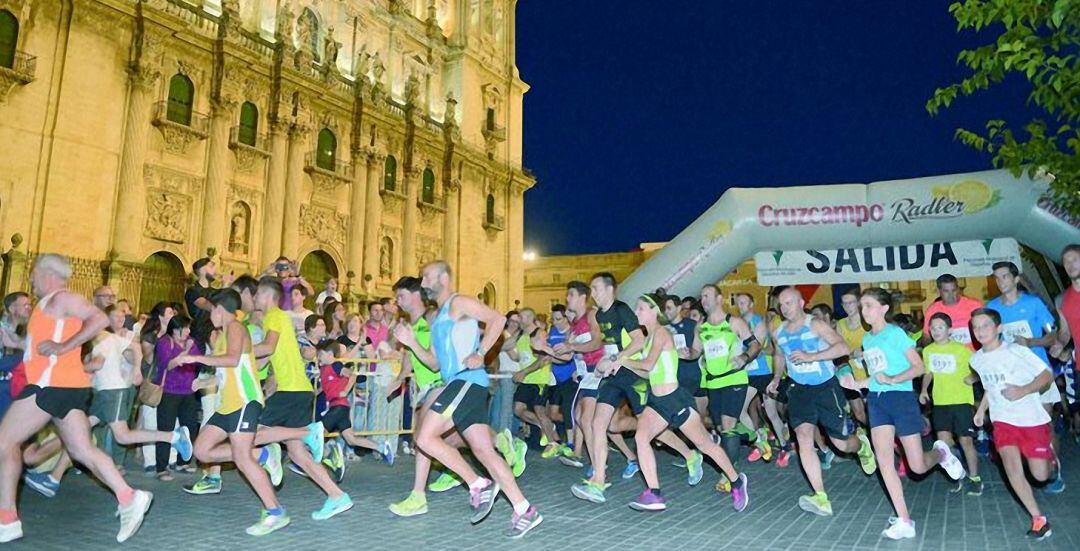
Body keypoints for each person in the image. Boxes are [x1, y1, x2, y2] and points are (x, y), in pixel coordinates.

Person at [0, 254, 152, 543]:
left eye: (33, 274)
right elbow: (41, 347)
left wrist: (63, 346)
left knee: (4, 442)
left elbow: (99, 319)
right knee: (81, 450)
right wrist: (17, 343)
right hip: (66, 386)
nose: (30, 281)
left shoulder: (62, 298)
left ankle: (6, 520)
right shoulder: (48, 306)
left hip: (51, 385)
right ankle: (129, 496)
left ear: (47, 274)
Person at [395, 261, 542, 538]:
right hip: (459, 383)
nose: (423, 282)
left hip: (467, 380)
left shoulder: (459, 303)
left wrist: (482, 352)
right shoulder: (438, 318)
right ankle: (524, 510)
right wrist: (412, 342)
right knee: (484, 452)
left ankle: (478, 484)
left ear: (442, 277)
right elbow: (436, 363)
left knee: (424, 438)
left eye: (427, 277)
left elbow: (497, 319)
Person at [839, 288, 965, 540]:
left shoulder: (895, 334)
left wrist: (894, 379)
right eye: (862, 306)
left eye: (869, 306)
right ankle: (905, 520)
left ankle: (941, 453)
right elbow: (875, 376)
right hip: (877, 401)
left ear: (884, 309)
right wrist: (857, 384)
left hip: (902, 400)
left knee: (917, 467)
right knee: (885, 462)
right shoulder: (868, 340)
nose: (864, 311)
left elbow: (918, 367)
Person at [571, 273, 700, 504]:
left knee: (650, 426)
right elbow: (605, 343)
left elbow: (639, 341)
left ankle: (691, 455)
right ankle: (599, 480)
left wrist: (618, 359)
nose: (593, 294)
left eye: (596, 288)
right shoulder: (600, 315)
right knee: (597, 423)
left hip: (634, 374)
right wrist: (601, 363)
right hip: (614, 374)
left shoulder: (622, 310)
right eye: (591, 289)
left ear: (610, 289)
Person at [625, 294, 749, 513]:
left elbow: (648, 364)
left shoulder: (662, 333)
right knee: (641, 437)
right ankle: (654, 493)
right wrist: (619, 366)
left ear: (655, 311)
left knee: (705, 445)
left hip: (675, 399)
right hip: (657, 401)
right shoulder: (648, 337)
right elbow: (648, 373)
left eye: (641, 308)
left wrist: (621, 360)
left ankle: (737, 481)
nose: (637, 312)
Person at [180, 289, 287, 536]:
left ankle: (275, 512)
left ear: (219, 309)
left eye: (211, 312)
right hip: (226, 404)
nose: (210, 318)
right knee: (202, 450)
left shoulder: (236, 328)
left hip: (244, 401)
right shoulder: (221, 335)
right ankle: (262, 454)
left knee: (242, 459)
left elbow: (231, 360)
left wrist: (194, 359)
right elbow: (226, 371)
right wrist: (204, 383)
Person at [766, 286, 876, 517]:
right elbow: (779, 354)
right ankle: (821, 497)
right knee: (804, 438)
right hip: (798, 390)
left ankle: (862, 445)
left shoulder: (815, 324)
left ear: (801, 303)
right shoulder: (779, 331)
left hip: (826, 388)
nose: (784, 308)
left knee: (842, 444)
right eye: (781, 304)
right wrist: (777, 377)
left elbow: (843, 347)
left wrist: (811, 356)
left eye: (789, 303)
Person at [250, 277, 353, 520]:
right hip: (298, 389)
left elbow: (266, 347)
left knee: (252, 432)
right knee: (297, 454)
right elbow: (267, 358)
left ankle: (304, 436)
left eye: (256, 294)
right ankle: (337, 495)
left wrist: (234, 352)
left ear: (266, 295)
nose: (253, 299)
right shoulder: (280, 319)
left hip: (291, 390)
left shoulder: (274, 315)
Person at [969, 308, 1056, 541]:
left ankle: (1051, 458)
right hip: (1003, 421)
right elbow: (990, 386)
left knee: (1040, 475)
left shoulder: (1016, 351)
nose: (980, 331)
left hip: (1030, 419)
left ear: (998, 328)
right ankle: (1039, 519)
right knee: (1012, 468)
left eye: (985, 325)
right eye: (975, 326)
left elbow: (1046, 375)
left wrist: (1023, 390)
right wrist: (981, 410)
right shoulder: (976, 359)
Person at [987, 261, 1065, 493]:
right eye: (997, 278)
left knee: (1045, 425)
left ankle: (1054, 469)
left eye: (1005, 277)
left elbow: (1053, 337)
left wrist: (1030, 342)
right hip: (1009, 377)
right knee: (1015, 428)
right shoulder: (992, 307)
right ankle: (1029, 469)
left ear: (1016, 279)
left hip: (1037, 373)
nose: (1001, 282)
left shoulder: (1033, 304)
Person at [691, 285, 761, 487]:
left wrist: (744, 357)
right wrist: (685, 353)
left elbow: (755, 345)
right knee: (722, 427)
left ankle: (728, 475)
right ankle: (752, 434)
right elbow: (696, 352)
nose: (703, 300)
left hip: (734, 379)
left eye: (707, 296)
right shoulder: (701, 327)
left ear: (719, 298)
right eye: (701, 296)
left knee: (728, 426)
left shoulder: (735, 322)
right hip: (713, 382)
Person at [919, 312, 982, 495]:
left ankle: (975, 478)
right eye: (933, 328)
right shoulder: (928, 350)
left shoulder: (962, 350)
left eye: (940, 327)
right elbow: (928, 373)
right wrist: (924, 390)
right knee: (944, 444)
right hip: (940, 403)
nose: (936, 331)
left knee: (965, 441)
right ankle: (959, 476)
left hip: (961, 401)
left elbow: (981, 369)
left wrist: (973, 378)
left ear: (950, 330)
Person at [554, 281, 605, 470]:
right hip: (587, 374)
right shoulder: (574, 325)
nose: (567, 298)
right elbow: (567, 354)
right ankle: (584, 457)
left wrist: (572, 346)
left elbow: (598, 343)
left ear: (583, 297)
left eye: (571, 295)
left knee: (585, 420)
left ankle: (598, 466)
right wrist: (545, 350)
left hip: (599, 372)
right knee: (579, 416)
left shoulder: (592, 314)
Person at [734, 292, 787, 464]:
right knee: (759, 412)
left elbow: (762, 348)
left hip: (762, 373)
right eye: (738, 303)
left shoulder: (760, 322)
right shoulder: (737, 324)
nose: (740, 306)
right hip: (747, 373)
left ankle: (769, 443)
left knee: (761, 412)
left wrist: (744, 354)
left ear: (751, 304)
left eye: (744, 303)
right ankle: (770, 441)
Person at [152, 314, 202, 480]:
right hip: (169, 391)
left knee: (190, 427)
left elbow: (198, 361)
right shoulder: (165, 342)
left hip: (188, 391)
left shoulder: (192, 342)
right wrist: (187, 350)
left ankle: (183, 461)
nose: (188, 331)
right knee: (165, 428)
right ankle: (161, 467)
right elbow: (169, 364)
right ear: (174, 329)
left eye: (189, 327)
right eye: (184, 328)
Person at [921, 274, 983, 348]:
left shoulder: (975, 305)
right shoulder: (932, 310)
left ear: (958, 289)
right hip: (946, 356)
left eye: (954, 290)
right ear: (938, 291)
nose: (951, 295)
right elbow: (926, 338)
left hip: (973, 355)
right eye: (946, 291)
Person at [0, 292, 30, 421]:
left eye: (30, 305)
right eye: (25, 305)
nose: (29, 308)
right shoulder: (2, 331)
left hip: (12, 387)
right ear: (12, 308)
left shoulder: (17, 333)